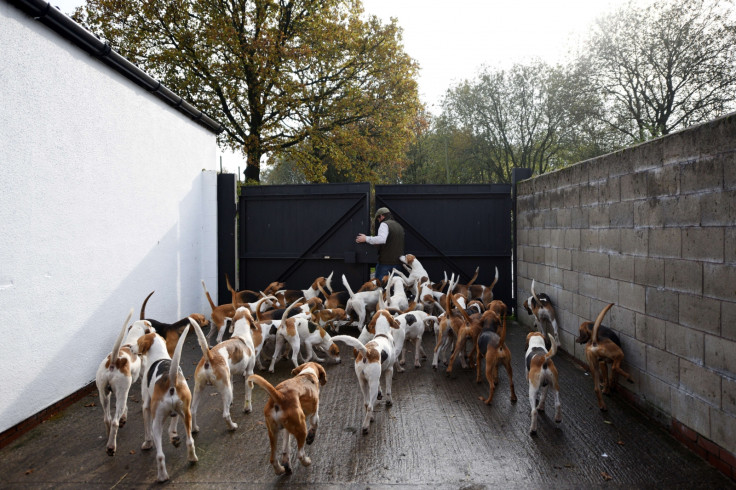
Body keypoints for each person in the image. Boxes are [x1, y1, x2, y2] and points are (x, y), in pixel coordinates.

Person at [356, 207, 405, 283]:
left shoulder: (384, 224)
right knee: (394, 287)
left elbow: (382, 239)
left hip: (385, 263)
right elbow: (391, 241)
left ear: (382, 216)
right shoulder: (399, 226)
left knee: (379, 287)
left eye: (378, 218)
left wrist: (366, 238)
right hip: (398, 263)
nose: (378, 221)